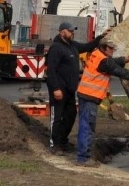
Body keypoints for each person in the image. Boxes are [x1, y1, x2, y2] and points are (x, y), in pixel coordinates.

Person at [75, 40, 129, 165]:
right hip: (90, 97)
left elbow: (112, 63)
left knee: (87, 126)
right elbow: (119, 71)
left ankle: (84, 156)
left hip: (86, 95)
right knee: (87, 128)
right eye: (110, 49)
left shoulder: (97, 55)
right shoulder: (104, 61)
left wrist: (124, 60)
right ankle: (83, 158)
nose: (112, 51)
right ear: (103, 48)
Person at [45, 22, 104, 152]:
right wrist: (55, 89)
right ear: (62, 32)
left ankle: (62, 141)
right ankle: (54, 145)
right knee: (57, 117)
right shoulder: (56, 48)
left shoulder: (73, 46)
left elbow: (88, 46)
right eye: (70, 31)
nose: (72, 33)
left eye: (73, 31)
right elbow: (51, 71)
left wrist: (101, 37)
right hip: (59, 89)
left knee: (71, 115)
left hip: (70, 90)